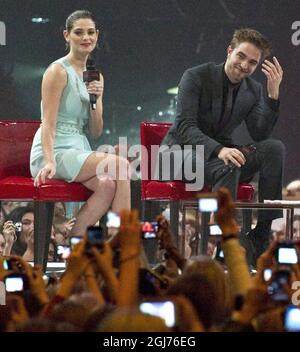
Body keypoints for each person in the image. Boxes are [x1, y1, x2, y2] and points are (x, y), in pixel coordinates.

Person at [160, 28, 284, 261]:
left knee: (274, 148)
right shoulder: (196, 76)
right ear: (229, 51)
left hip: (220, 159)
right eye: (241, 56)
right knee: (229, 164)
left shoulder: (253, 90)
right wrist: (220, 149)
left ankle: (262, 233)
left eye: (252, 63)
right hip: (179, 156)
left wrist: (272, 97)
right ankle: (227, 239)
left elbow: (260, 134)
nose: (245, 65)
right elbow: (185, 126)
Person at [30, 10, 131, 236]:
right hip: (54, 150)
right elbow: (47, 122)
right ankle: (123, 245)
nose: (86, 37)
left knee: (107, 185)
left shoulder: (96, 76)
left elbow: (95, 131)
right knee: (121, 165)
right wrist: (48, 161)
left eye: (90, 32)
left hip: (79, 146)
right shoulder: (57, 71)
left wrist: (96, 99)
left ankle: (75, 246)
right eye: (79, 32)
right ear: (67, 36)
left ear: (97, 35)